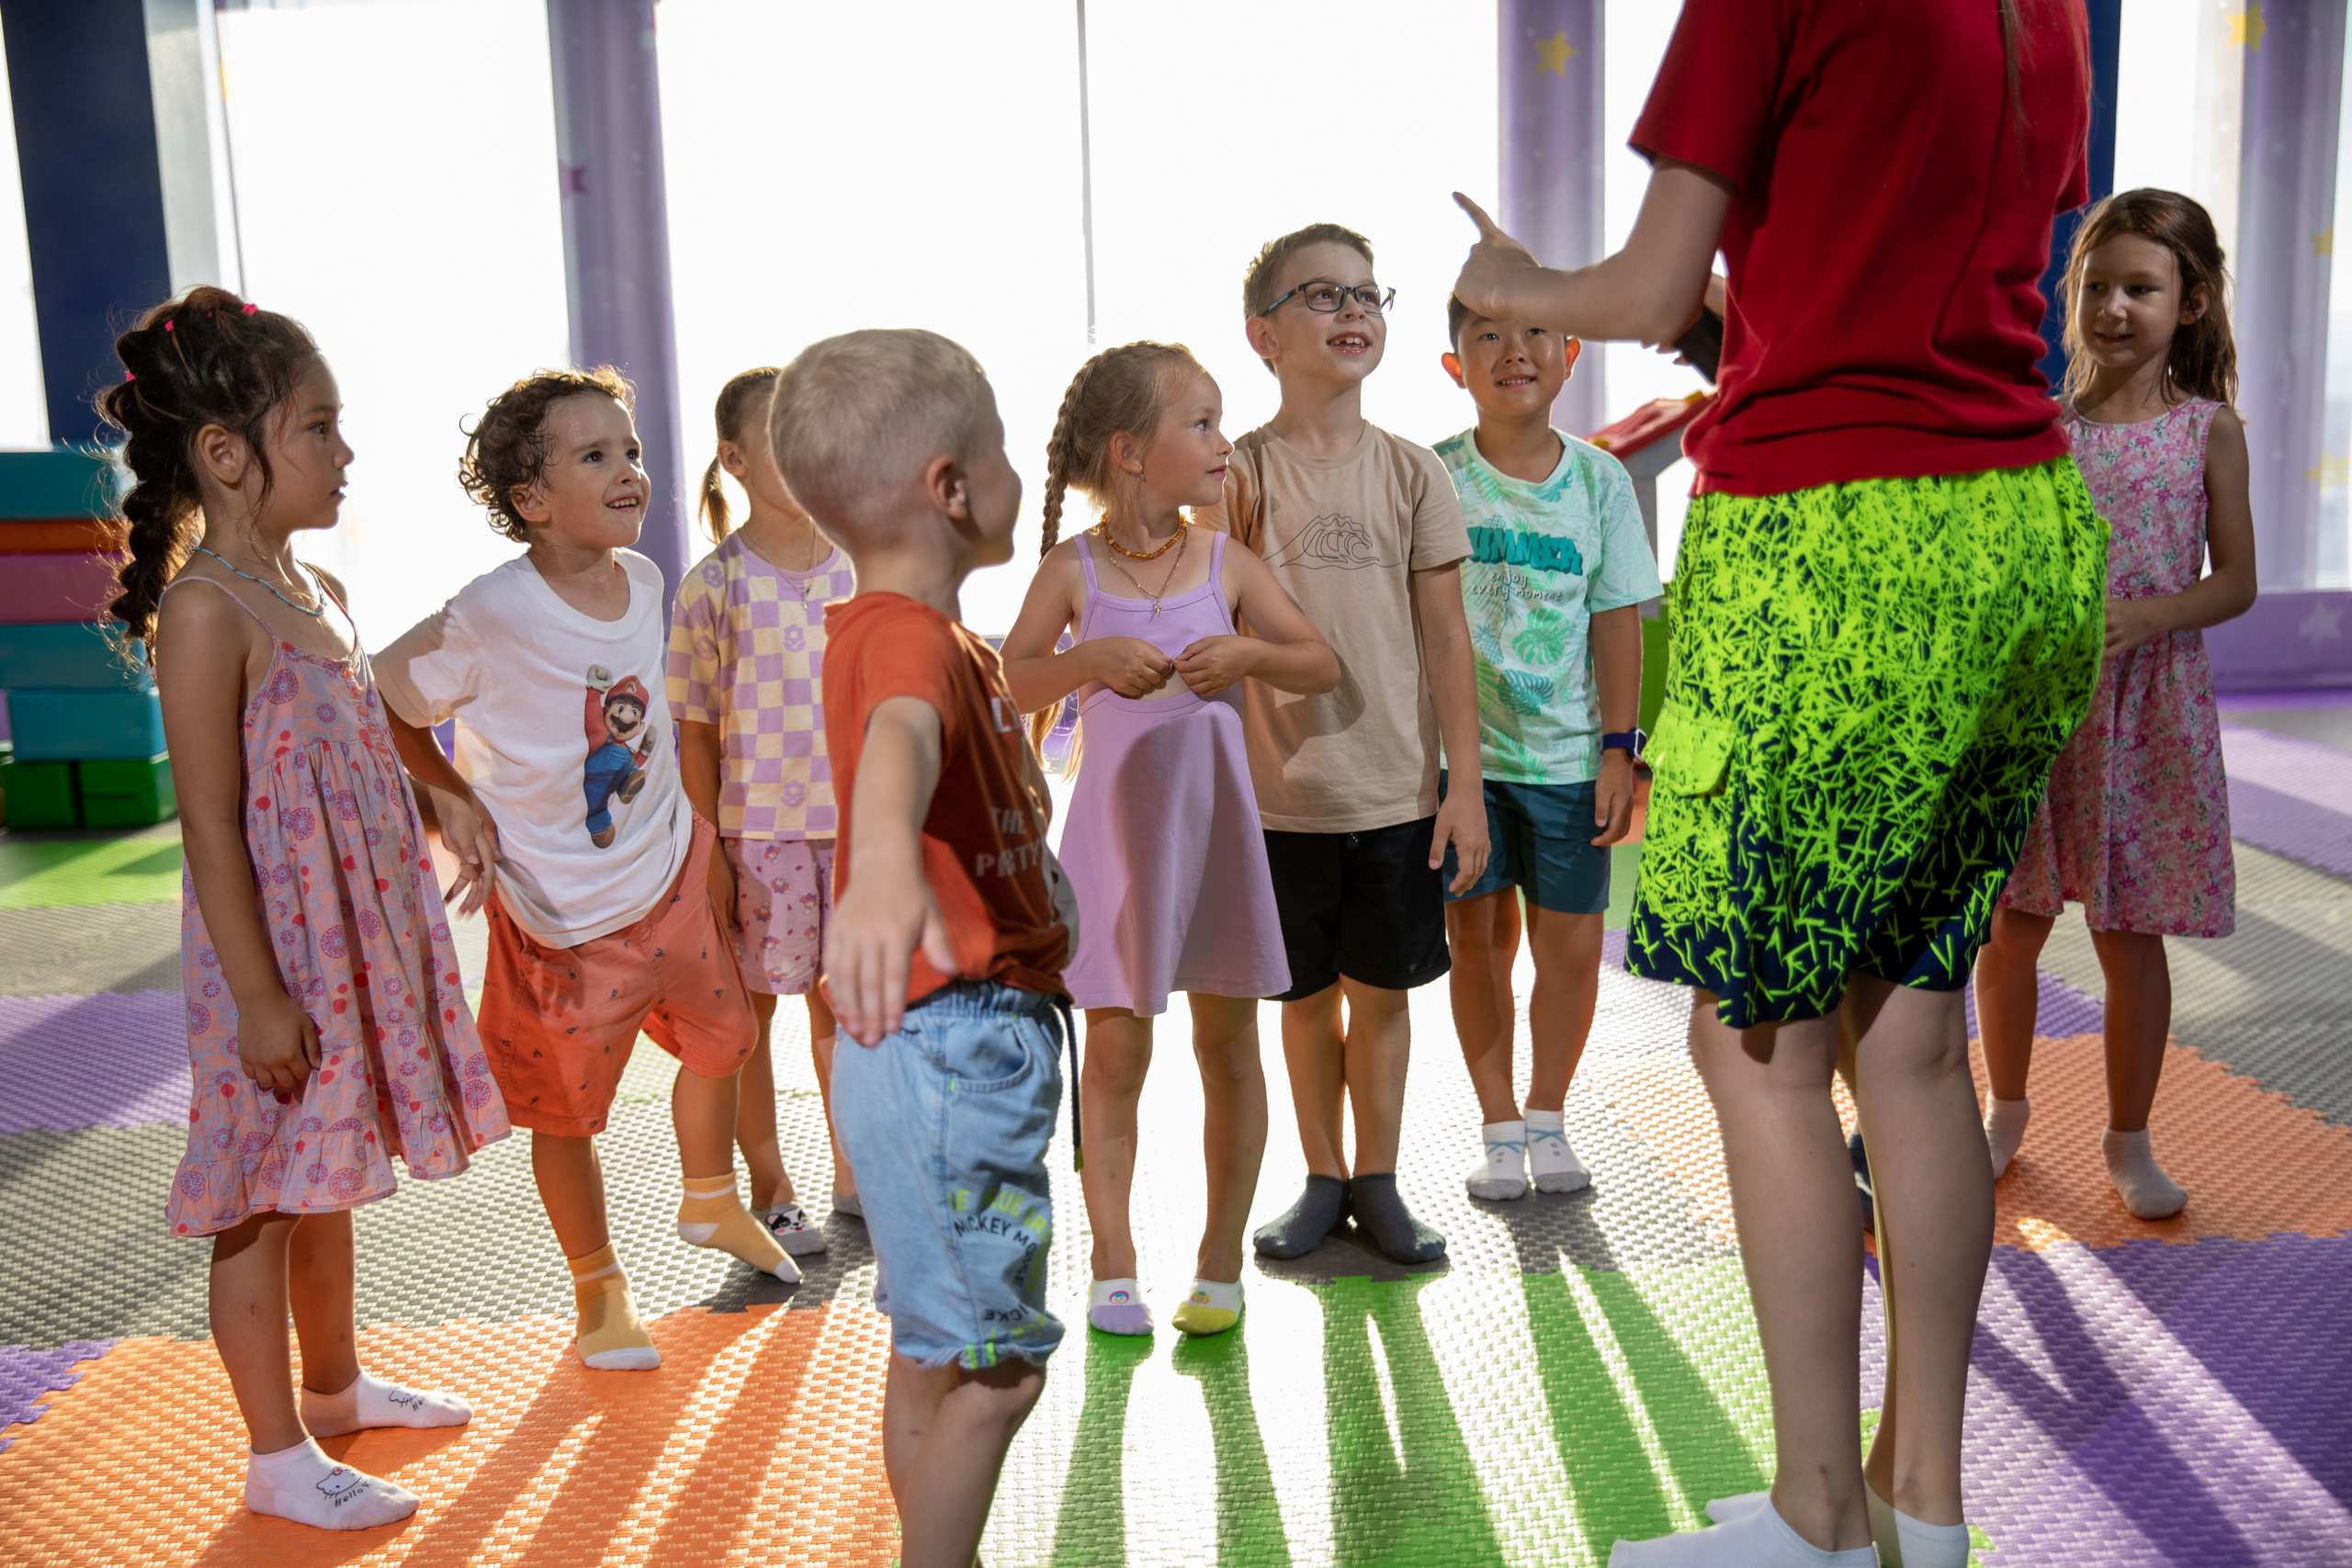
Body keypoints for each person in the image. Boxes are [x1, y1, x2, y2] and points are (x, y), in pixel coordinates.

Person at [1451, 1, 2106, 1562]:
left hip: (1834, 551)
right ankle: (1916, 1506)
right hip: (2019, 532)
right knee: (1915, 1045)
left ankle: (1816, 1515)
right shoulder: (2048, 12)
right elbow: (1862, 286)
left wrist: (1511, 284)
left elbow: (1650, 284)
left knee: (1757, 1040)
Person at [108, 288, 507, 1528]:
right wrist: (262, 996)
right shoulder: (206, 607)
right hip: (271, 961)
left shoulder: (316, 584)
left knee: (325, 1171)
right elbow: (214, 825)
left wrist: (441, 799)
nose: (346, 454)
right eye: (320, 429)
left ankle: (333, 1390)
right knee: (261, 1197)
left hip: (348, 948)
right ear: (227, 454)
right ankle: (276, 1456)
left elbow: (358, 746)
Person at [376, 367, 801, 1378]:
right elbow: (388, 692)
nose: (630, 472)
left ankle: (708, 1198)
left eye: (634, 451)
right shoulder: (492, 610)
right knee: (564, 1112)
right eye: (597, 456)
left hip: (668, 869)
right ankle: (598, 1288)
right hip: (561, 915)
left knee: (725, 1034)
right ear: (531, 500)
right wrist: (451, 794)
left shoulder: (648, 580)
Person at [771, 328, 1073, 1568]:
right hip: (956, 1050)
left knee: (933, 1348)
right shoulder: (904, 642)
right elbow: (898, 744)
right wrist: (881, 856)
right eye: (1002, 452)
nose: (1016, 476)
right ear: (951, 486)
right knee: (998, 1375)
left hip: (930, 1054)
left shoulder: (930, 637)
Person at [1001, 341, 1340, 1338]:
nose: (1222, 441)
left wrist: (1246, 652)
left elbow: (1316, 662)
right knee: (1114, 1049)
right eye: (1200, 423)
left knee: (1229, 1045)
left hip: (1218, 841)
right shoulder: (1074, 570)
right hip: (1117, 843)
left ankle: (1217, 1263)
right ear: (1131, 452)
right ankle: (1113, 1263)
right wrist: (1087, 659)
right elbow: (1011, 678)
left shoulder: (1226, 562)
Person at [1196, 223, 1491, 1269]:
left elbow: (1448, 639)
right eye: (1320, 296)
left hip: (1397, 791)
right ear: (1262, 335)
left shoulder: (1415, 475)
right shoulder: (1236, 478)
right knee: (1305, 999)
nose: (1352, 311)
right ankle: (1321, 1178)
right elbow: (1203, 634)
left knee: (1384, 997)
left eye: (1367, 294)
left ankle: (1380, 1177)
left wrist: (1463, 788)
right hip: (1278, 799)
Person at [1975, 189, 2256, 1220]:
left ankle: (2127, 1137)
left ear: (2187, 303)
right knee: (2011, 924)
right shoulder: (2041, 429)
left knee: (2127, 938)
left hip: (2147, 712)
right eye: (2096, 286)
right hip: (2041, 716)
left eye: (2140, 287)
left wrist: (2154, 615)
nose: (2113, 307)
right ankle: (2003, 1111)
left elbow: (2236, 581)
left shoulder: (2204, 432)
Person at [1433, 295, 1659, 1202]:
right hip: (1465, 767)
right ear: (1455, 366)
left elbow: (1616, 622)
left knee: (1566, 949)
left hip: (1569, 763)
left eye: (1533, 335)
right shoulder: (1432, 477)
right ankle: (1495, 1127)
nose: (1512, 352)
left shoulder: (1600, 483)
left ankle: (1546, 1117)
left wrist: (1617, 750)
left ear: (1568, 355)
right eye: (1486, 335)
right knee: (1475, 942)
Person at [669, 365, 857, 1248]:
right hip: (757, 838)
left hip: (856, 830)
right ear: (734, 459)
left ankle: (857, 1175)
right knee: (750, 1019)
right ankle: (773, 1184)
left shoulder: (863, 566)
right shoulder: (712, 585)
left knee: (847, 1009)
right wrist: (709, 850)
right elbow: (694, 734)